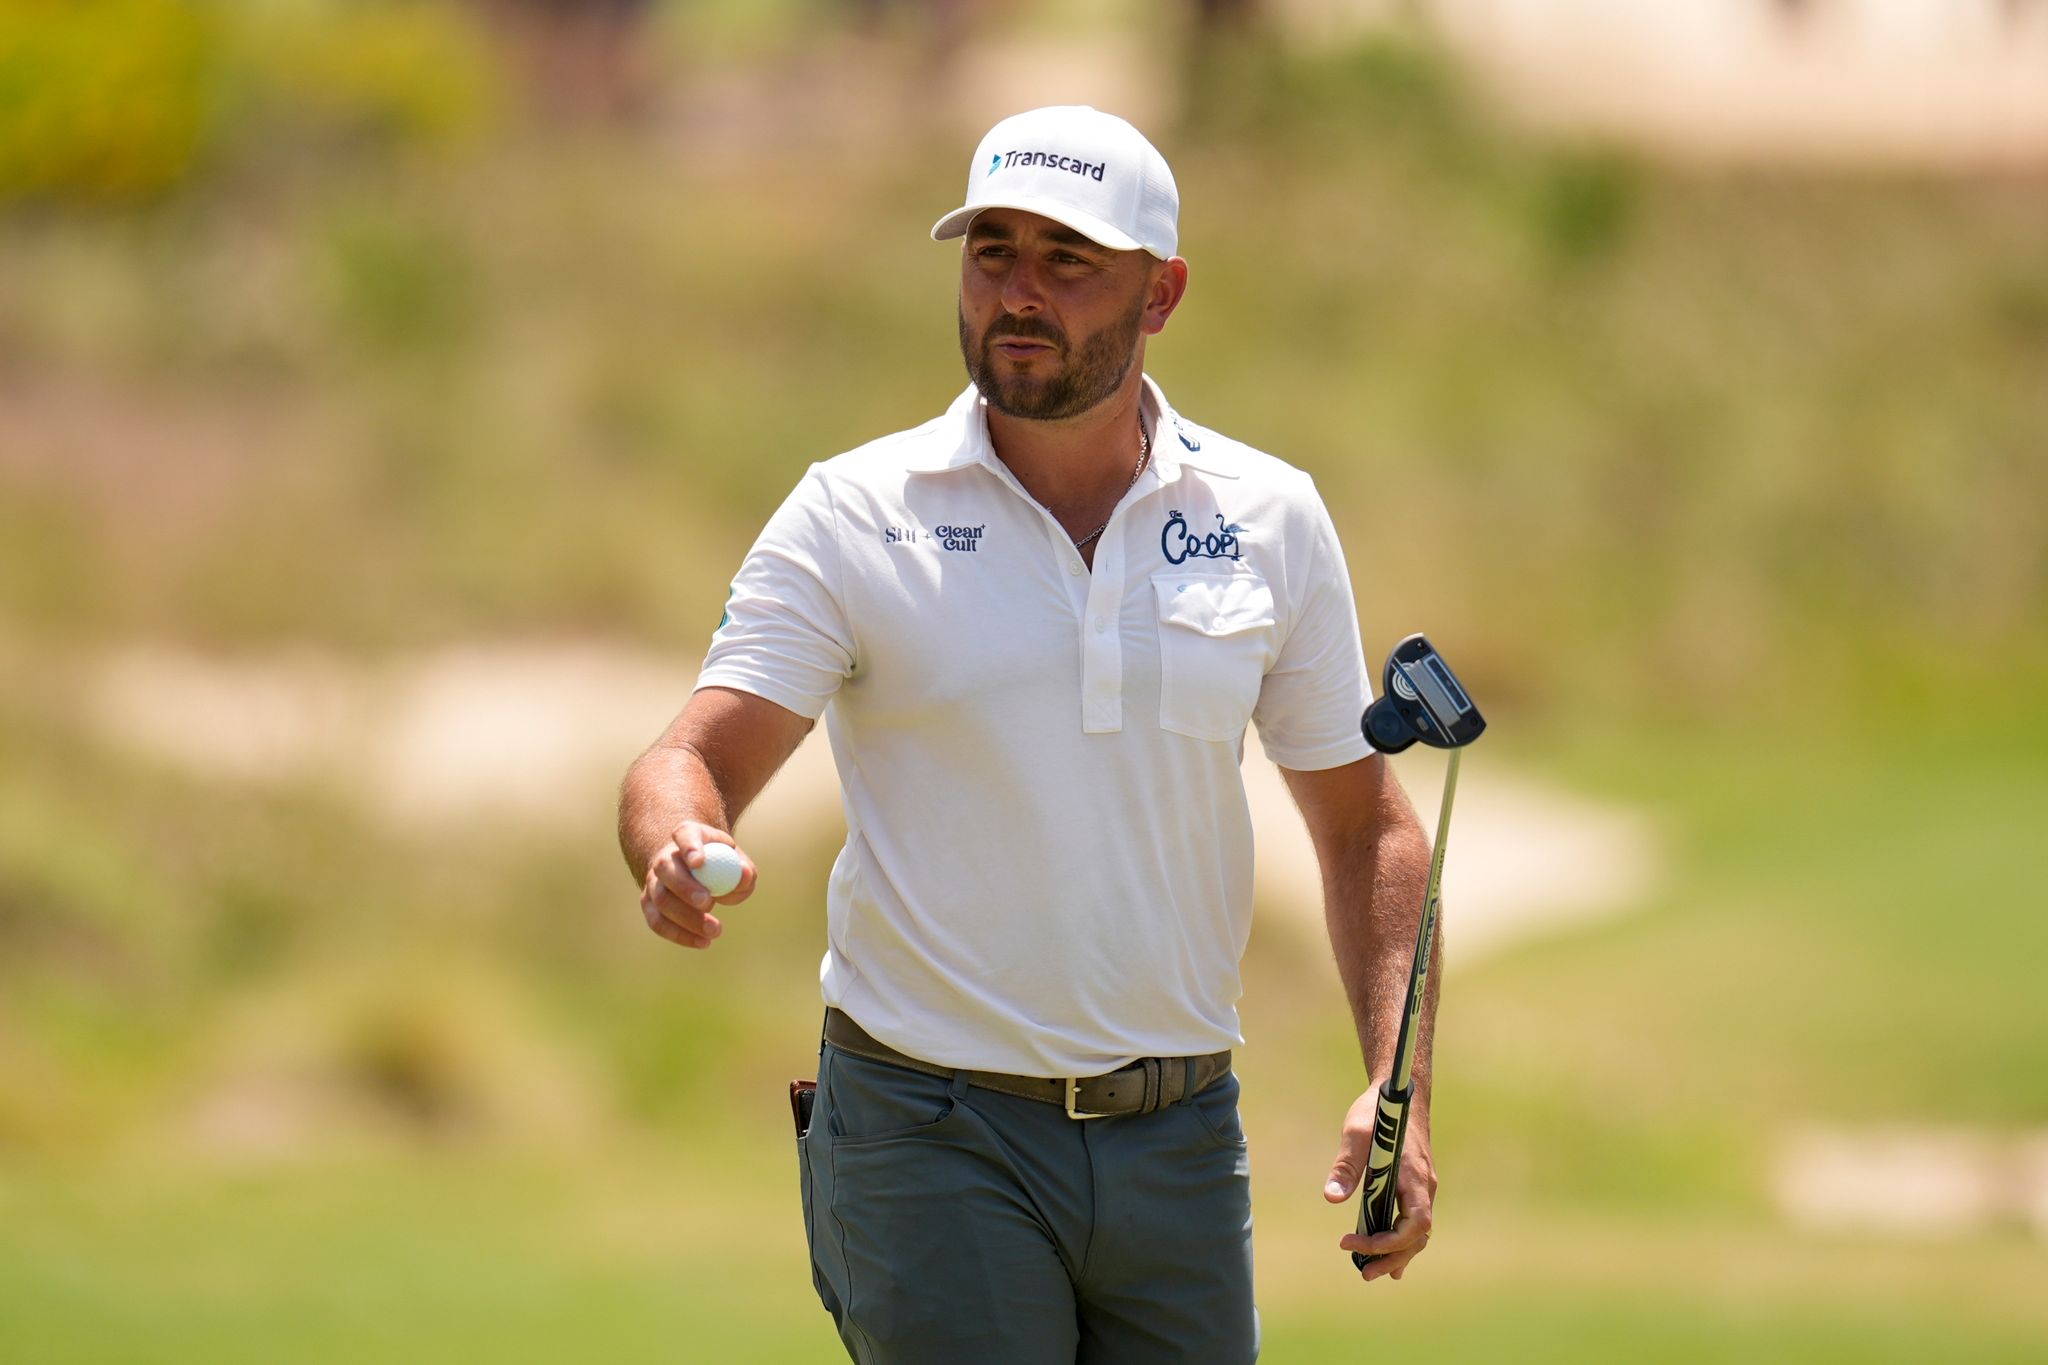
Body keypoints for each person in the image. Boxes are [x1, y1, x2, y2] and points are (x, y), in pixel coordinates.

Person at [618, 105, 1438, 1364]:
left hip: (1179, 1139)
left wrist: (1399, 1088)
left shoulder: (1268, 518)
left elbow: (1362, 828)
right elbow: (690, 758)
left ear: (1159, 293)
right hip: (930, 1132)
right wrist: (675, 840)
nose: (1017, 292)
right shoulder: (856, 513)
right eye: (991, 251)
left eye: (1067, 262)